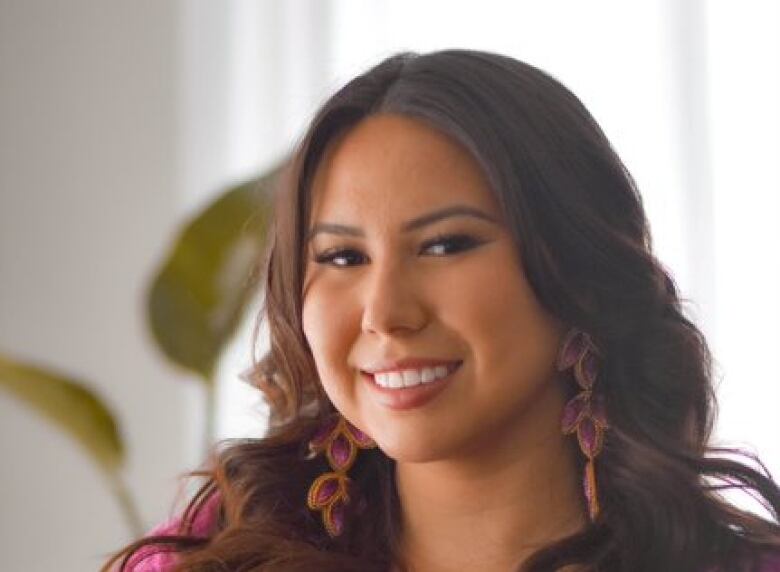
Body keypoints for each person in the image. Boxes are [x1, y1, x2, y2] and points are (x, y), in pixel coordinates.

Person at [101, 49, 780, 572]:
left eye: (446, 245)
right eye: (342, 257)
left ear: (581, 277)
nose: (385, 314)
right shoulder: (209, 559)